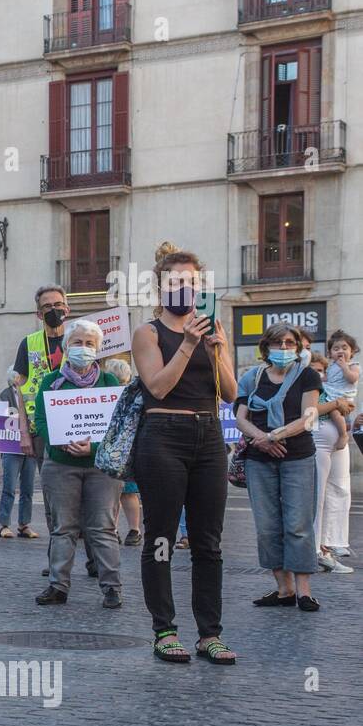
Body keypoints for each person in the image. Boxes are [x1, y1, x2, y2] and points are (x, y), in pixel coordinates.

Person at [131, 244, 237, 664]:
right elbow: (157, 386)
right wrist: (189, 345)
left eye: (192, 282)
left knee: (208, 541)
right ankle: (165, 630)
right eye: (176, 281)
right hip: (163, 434)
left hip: (208, 434)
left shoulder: (213, 330)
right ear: (160, 287)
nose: (185, 288)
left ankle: (209, 634)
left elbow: (230, 392)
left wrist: (216, 350)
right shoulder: (148, 333)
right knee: (160, 537)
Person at [32, 319, 124, 608]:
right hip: (60, 464)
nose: (82, 348)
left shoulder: (110, 383)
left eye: (89, 344)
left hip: (100, 467)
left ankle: (111, 588)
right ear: (66, 346)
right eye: (77, 342)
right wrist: (58, 440)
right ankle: (58, 586)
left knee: (102, 528)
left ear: (97, 349)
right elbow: (41, 420)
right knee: (63, 528)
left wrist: (93, 446)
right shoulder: (51, 382)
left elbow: (118, 427)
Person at [234, 323, 323, 611]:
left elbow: (309, 417)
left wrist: (275, 436)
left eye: (289, 343)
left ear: (297, 347)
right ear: (266, 347)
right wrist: (261, 439)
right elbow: (240, 417)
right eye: (277, 343)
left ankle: (304, 592)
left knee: (298, 524)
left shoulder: (307, 375)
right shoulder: (253, 376)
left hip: (297, 457)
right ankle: (283, 590)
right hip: (260, 460)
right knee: (267, 526)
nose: (283, 348)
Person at [314, 330, 357, 572]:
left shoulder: (351, 367)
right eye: (336, 348)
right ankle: (318, 548)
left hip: (339, 429)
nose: (340, 352)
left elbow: (351, 379)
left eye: (345, 348)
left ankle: (334, 542)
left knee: (340, 488)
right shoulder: (325, 373)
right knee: (318, 493)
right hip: (320, 434)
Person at [14, 285, 70, 465]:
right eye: (47, 306)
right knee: (50, 487)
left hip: (75, 424)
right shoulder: (28, 344)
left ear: (66, 310)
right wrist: (24, 434)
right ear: (39, 314)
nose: (54, 309)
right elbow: (21, 391)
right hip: (41, 428)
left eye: (58, 304)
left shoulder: (79, 339)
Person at [102, 357, 142, 545]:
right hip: (129, 450)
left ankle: (114, 529)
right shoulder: (134, 391)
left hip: (116, 449)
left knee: (114, 494)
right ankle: (134, 530)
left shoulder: (108, 393)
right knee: (129, 493)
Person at [0, 369, 40, 540]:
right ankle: (4, 524)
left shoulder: (32, 393)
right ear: (14, 378)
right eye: (20, 375)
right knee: (9, 486)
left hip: (30, 446)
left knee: (28, 488)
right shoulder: (4, 395)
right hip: (11, 446)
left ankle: (24, 524)